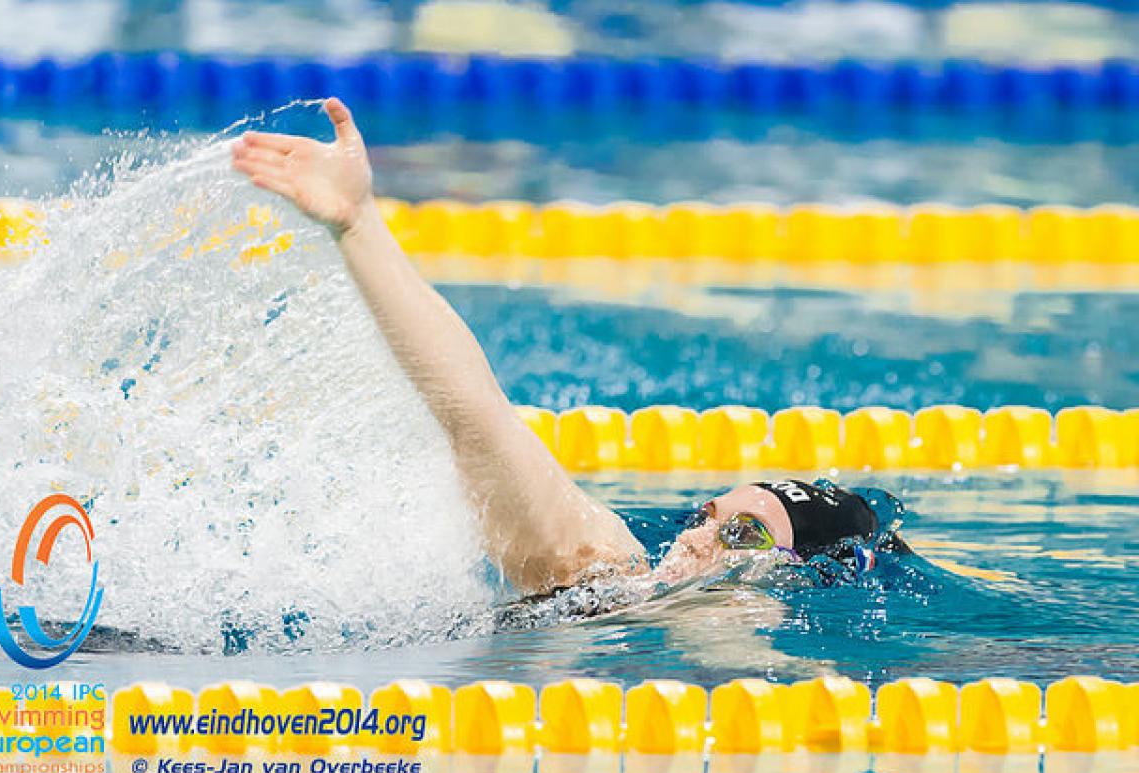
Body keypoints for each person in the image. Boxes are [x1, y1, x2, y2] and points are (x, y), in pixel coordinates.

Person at [230, 98, 909, 604]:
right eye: (711, 516)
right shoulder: (599, 565)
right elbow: (476, 416)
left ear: (795, 578)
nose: (698, 537)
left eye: (742, 537)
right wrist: (358, 224)